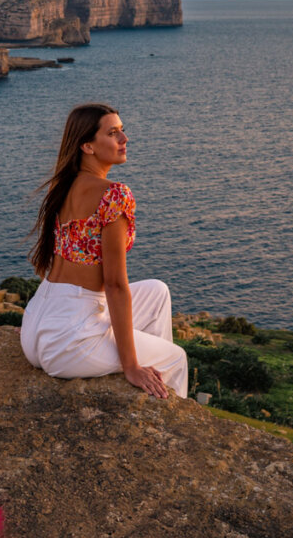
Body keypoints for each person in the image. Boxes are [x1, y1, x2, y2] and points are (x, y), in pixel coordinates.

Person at [20, 103, 189, 398]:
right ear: (87, 145)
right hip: (69, 342)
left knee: (158, 292)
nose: (124, 139)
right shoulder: (113, 195)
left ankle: (149, 387)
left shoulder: (62, 184)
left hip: (37, 326)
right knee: (176, 357)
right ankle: (161, 408)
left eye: (123, 130)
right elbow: (114, 284)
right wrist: (131, 365)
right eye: (113, 133)